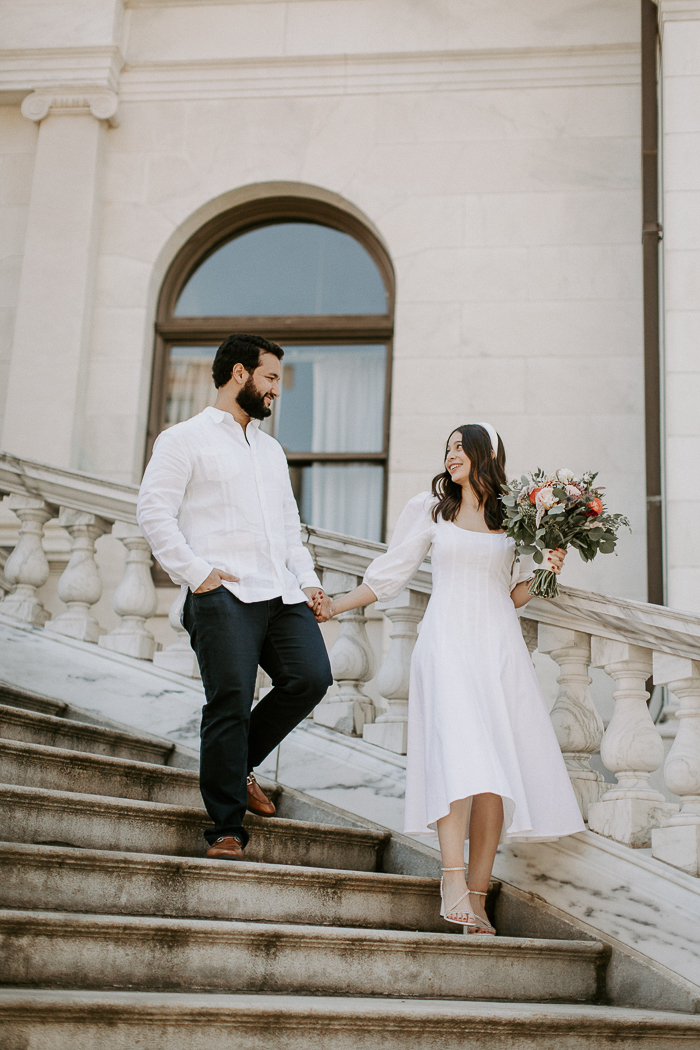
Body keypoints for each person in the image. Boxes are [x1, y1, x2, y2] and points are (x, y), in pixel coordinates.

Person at [313, 422, 585, 932]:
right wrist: (336, 604)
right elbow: (390, 574)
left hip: (498, 645)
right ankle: (452, 879)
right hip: (446, 644)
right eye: (448, 448)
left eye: (461, 446)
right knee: (460, 759)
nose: (451, 454)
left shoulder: (517, 518)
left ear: (487, 454)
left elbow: (513, 595)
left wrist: (551, 568)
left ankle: (477, 901)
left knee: (494, 778)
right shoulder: (431, 509)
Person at [137, 333, 333, 861]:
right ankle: (226, 829)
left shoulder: (271, 450)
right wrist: (197, 574)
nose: (276, 390)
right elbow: (153, 513)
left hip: (281, 592)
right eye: (271, 378)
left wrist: (308, 578)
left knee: (311, 677)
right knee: (229, 702)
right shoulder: (182, 439)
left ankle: (234, 763)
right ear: (241, 374)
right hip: (223, 593)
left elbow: (290, 526)